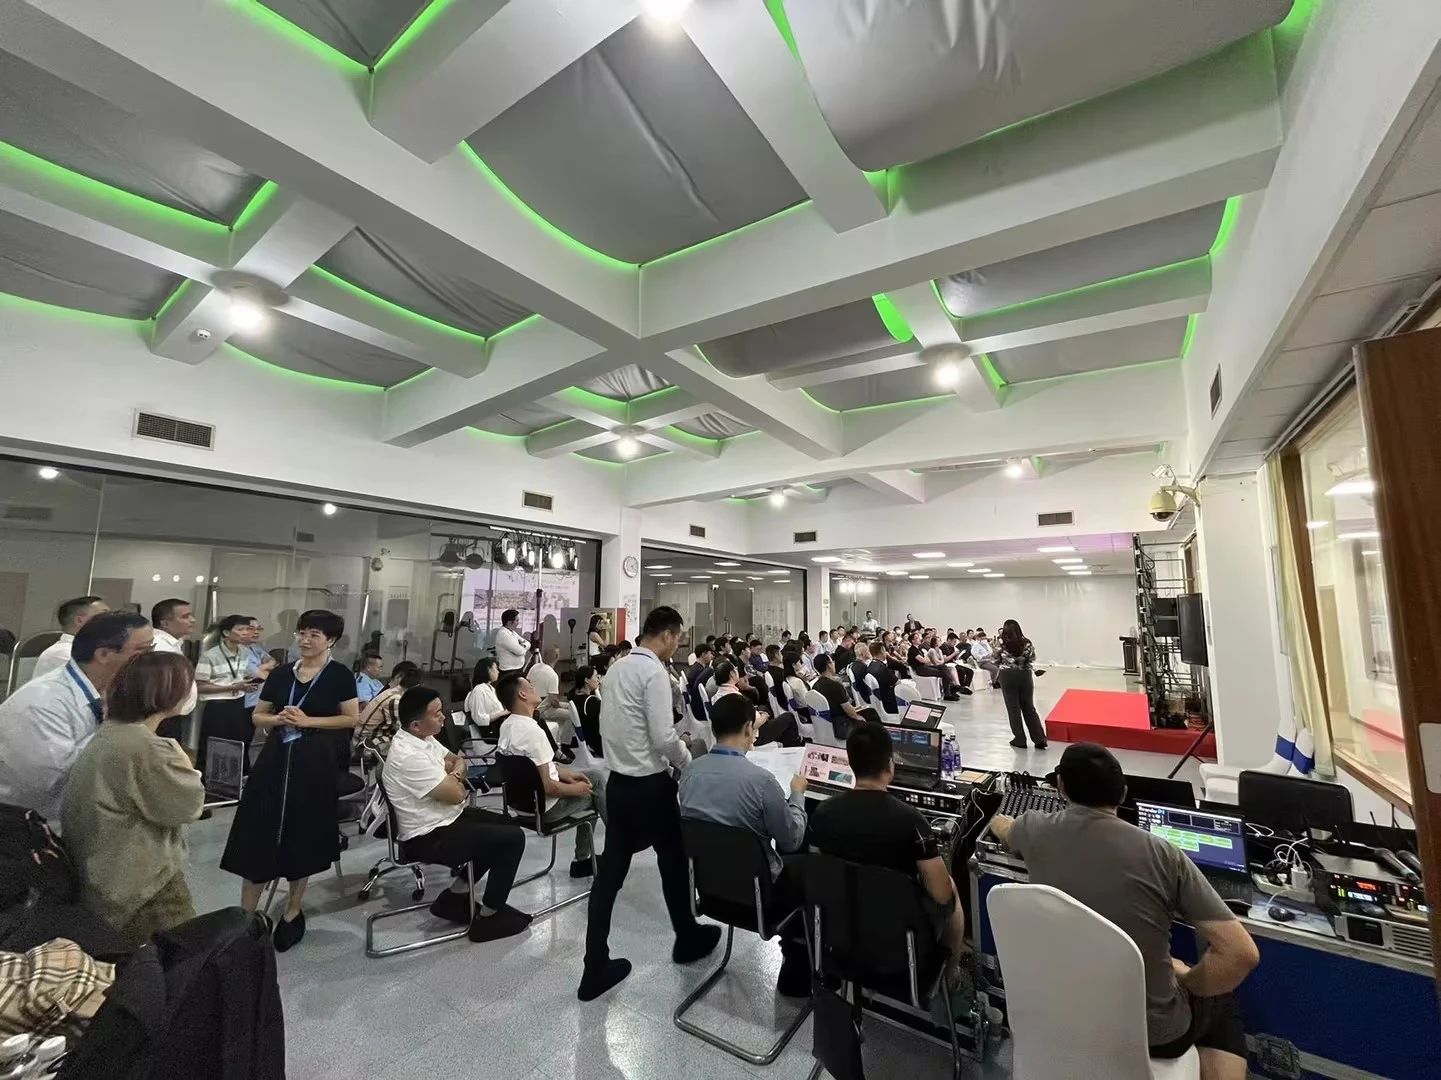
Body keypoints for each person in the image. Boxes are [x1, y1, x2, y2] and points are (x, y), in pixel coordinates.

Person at [990, 745, 1259, 1078]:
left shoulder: (1034, 829)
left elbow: (1002, 826)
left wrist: (1005, 824)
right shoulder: (1163, 853)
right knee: (1223, 1002)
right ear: (1123, 793)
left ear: (1060, 787)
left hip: (1061, 1015)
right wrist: (1188, 980)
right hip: (1155, 1035)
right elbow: (1241, 954)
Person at [579, 605, 719, 1001]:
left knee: (610, 874)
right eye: (678, 638)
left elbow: (610, 727)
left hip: (619, 784)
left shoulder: (616, 669)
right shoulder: (654, 672)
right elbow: (662, 737)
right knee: (673, 860)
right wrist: (687, 764)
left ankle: (594, 964)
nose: (677, 645)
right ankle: (686, 936)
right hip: (650, 786)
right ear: (669, 635)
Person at [219, 609, 359, 951]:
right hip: (275, 759)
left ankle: (293, 910)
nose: (304, 640)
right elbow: (258, 715)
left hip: (315, 761)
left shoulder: (339, 675)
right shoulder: (282, 673)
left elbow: (350, 719)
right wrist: (280, 718)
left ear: (330, 640)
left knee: (303, 832)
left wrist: (308, 721)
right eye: (302, 633)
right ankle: (246, 916)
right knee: (258, 829)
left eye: (314, 635)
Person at [62, 652, 206, 945]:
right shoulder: (147, 748)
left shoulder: (113, 733)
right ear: (165, 692)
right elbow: (187, 806)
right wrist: (185, 765)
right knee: (173, 960)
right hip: (144, 887)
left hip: (105, 875)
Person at [678, 693, 810, 996]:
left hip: (710, 892)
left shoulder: (689, 774)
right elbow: (791, 840)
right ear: (749, 727)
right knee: (810, 867)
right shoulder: (761, 781)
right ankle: (797, 964)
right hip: (760, 898)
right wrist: (797, 795)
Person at [808, 722, 967, 966]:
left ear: (851, 763)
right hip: (901, 937)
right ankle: (951, 970)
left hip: (844, 928)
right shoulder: (912, 821)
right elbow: (942, 894)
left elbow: (818, 871)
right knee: (951, 888)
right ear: (890, 765)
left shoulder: (822, 812)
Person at [384, 686, 532, 941]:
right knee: (511, 839)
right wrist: (456, 779)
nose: (444, 717)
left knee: (507, 824)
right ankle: (489, 918)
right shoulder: (408, 756)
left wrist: (452, 775)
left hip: (447, 816)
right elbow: (456, 793)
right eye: (436, 714)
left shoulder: (424, 738)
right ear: (416, 725)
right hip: (427, 834)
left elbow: (458, 760)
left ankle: (456, 895)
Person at [0, 612, 154, 823]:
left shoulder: (111, 691)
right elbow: (53, 782)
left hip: (82, 818)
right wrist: (121, 728)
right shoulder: (42, 703)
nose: (152, 659)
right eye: (143, 651)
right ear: (103, 654)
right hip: (35, 827)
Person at [496, 675, 607, 878]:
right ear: (522, 694)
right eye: (531, 686)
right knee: (596, 793)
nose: (535, 688)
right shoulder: (533, 732)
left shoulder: (507, 726)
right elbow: (549, 786)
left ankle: (592, 854)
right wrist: (577, 789)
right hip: (546, 809)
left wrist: (569, 774)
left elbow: (537, 767)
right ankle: (598, 854)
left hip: (521, 804)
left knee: (594, 776)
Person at [195, 614, 265, 780]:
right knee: (214, 745)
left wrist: (246, 684)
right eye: (240, 629)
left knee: (237, 743)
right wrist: (233, 687)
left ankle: (233, 781)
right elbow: (200, 686)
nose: (245, 633)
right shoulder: (210, 656)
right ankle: (208, 782)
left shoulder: (245, 652)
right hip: (217, 706)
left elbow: (240, 676)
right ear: (226, 633)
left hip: (238, 704)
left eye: (247, 629)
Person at [32, 595, 109, 681]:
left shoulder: (89, 650)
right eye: (104, 615)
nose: (111, 621)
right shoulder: (63, 653)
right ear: (79, 621)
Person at [355, 661, 423, 758]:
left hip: (370, 737)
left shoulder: (391, 692)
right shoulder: (395, 700)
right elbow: (402, 729)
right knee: (411, 743)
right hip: (365, 744)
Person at [998, 619, 1047, 749]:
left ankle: (1019, 739)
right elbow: (1032, 658)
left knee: (1013, 709)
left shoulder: (1002, 643)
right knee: (1029, 707)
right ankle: (1039, 739)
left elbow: (995, 658)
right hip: (1025, 675)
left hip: (1007, 675)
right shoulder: (1027, 642)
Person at [811, 652, 864, 740]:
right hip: (842, 726)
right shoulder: (835, 686)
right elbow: (850, 712)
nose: (834, 664)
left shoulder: (815, 687)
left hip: (825, 727)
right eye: (832, 662)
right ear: (828, 665)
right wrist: (858, 718)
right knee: (869, 716)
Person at [569, 665, 603, 757]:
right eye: (596, 676)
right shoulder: (592, 701)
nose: (598, 680)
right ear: (587, 680)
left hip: (589, 742)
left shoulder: (574, 698)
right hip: (599, 745)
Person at [465, 657, 506, 728]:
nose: (498, 672)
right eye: (496, 668)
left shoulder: (491, 688)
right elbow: (479, 719)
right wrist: (502, 713)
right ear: (488, 670)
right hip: (491, 729)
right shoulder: (478, 690)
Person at [865, 640, 899, 713]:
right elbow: (898, 683)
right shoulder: (882, 668)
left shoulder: (869, 666)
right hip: (889, 703)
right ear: (882, 652)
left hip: (879, 700)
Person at [494, 609, 529, 678]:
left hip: (516, 670)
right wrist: (523, 646)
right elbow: (520, 651)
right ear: (509, 622)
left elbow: (528, 643)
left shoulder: (512, 632)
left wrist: (523, 645)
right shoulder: (503, 634)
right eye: (517, 620)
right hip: (508, 672)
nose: (518, 623)